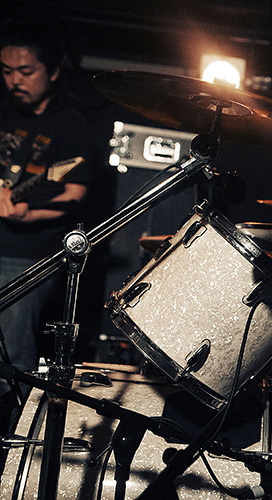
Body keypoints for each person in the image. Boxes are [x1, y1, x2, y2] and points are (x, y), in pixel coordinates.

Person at [0, 10, 93, 433]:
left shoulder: (69, 124)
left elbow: (74, 194)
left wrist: (28, 212)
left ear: (53, 71)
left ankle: (13, 444)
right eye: (6, 71)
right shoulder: (4, 113)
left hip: (26, 256)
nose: (14, 80)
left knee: (11, 358)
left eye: (26, 71)